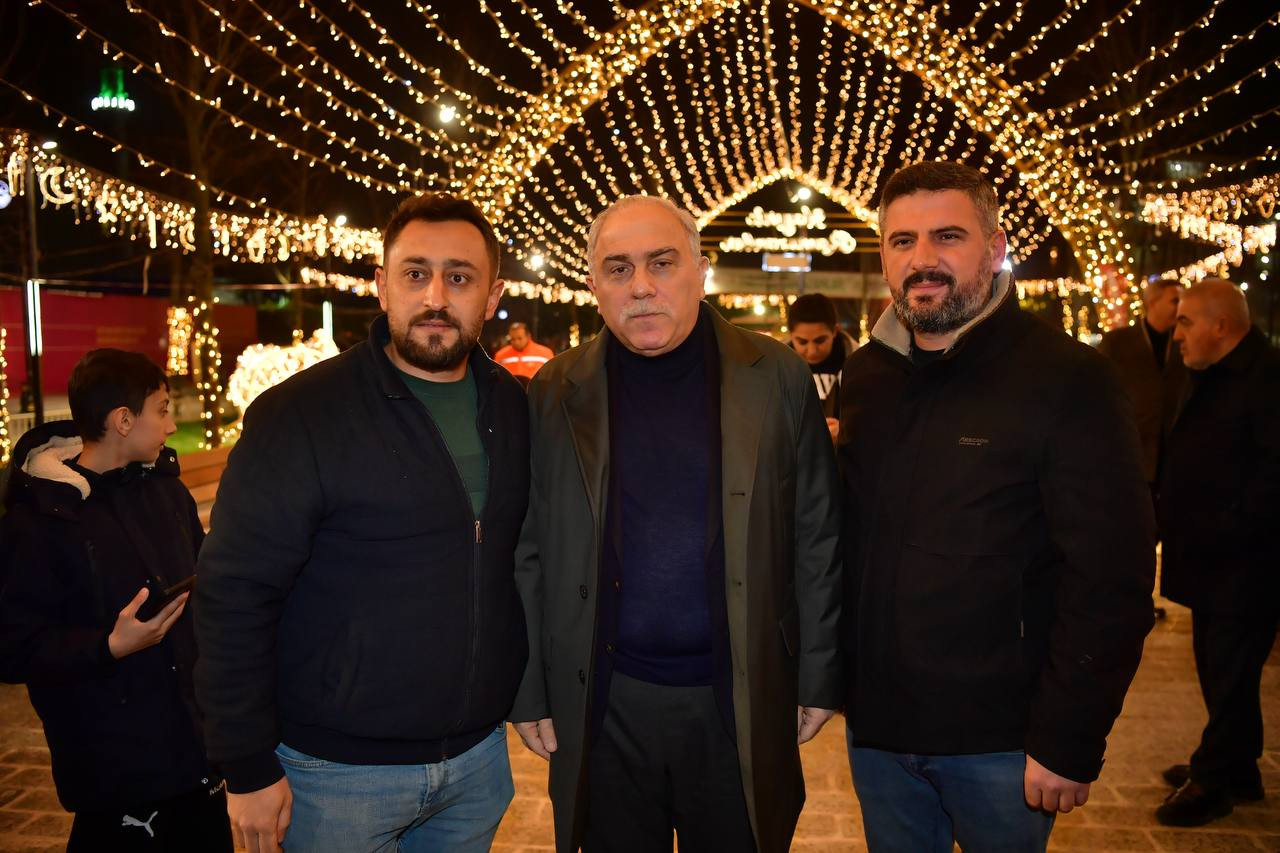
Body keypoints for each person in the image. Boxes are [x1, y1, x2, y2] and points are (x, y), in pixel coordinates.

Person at [193, 193, 530, 853]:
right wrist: (246, 762)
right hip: (332, 776)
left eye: (460, 277)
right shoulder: (301, 414)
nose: (435, 296)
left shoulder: (516, 409)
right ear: (382, 285)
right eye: (415, 273)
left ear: (492, 296)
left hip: (477, 765)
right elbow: (233, 592)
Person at [510, 195, 842, 853]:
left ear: (701, 269)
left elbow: (817, 533)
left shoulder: (777, 375)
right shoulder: (554, 390)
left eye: (662, 263)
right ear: (594, 285)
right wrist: (529, 689)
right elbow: (529, 548)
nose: (641, 286)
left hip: (737, 695)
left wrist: (819, 673)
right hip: (603, 703)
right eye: (618, 268)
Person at [838, 161, 1154, 852]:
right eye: (902, 241)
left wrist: (1069, 737)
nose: (923, 259)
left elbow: (1112, 576)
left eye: (948, 236)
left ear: (996, 247)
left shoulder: (1069, 378)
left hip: (1001, 746)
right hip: (879, 736)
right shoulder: (865, 377)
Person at [0, 349, 231, 852]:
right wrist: (109, 646)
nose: (171, 426)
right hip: (115, 775)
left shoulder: (167, 493)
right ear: (123, 420)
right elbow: (14, 649)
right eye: (163, 410)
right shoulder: (40, 520)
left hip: (196, 757)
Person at [1154, 279, 1280, 827]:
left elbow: (1272, 473)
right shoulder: (1209, 370)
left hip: (1246, 563)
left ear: (1221, 326)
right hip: (1211, 557)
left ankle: (1213, 779)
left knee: (1229, 671)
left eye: (1185, 321)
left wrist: (1232, 525)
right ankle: (1240, 768)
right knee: (1219, 666)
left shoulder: (1267, 379)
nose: (1177, 332)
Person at [788, 292, 857, 441]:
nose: (812, 351)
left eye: (820, 340)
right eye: (802, 342)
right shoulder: (778, 368)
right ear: (791, 335)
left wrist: (846, 430)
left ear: (835, 331)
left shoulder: (859, 365)